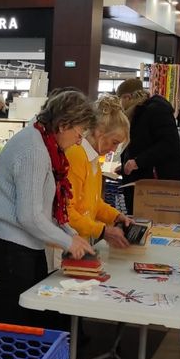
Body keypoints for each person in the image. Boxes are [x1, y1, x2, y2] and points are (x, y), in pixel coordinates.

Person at [0, 90, 97, 326]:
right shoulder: (34, 150)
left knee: (31, 317)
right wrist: (69, 242)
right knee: (16, 323)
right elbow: (30, 215)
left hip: (23, 246)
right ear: (64, 124)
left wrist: (71, 235)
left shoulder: (43, 144)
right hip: (12, 248)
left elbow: (47, 209)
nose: (79, 140)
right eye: (80, 133)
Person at [66, 97, 132, 250]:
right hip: (66, 243)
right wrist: (102, 231)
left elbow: (93, 203)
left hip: (78, 241)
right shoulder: (77, 155)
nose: (114, 149)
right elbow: (66, 211)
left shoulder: (92, 158)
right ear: (99, 132)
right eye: (114, 142)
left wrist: (116, 216)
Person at [117, 77, 180, 211]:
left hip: (156, 184)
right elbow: (139, 144)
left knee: (152, 223)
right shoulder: (139, 111)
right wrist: (125, 165)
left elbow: (168, 144)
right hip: (142, 182)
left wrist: (137, 162)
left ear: (128, 97)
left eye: (120, 99)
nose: (120, 104)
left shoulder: (155, 110)